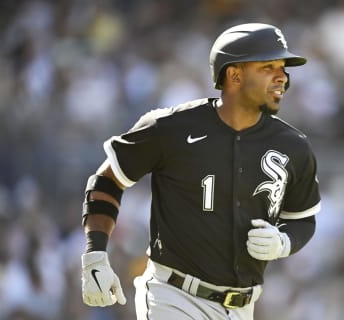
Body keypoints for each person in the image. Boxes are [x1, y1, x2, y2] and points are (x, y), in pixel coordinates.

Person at [80, 22, 321, 320]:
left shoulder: (293, 146)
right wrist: (95, 254)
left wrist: (284, 241)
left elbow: (303, 218)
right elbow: (108, 179)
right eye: (269, 67)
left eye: (283, 68)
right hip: (174, 298)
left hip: (243, 308)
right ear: (234, 75)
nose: (282, 77)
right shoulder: (171, 128)